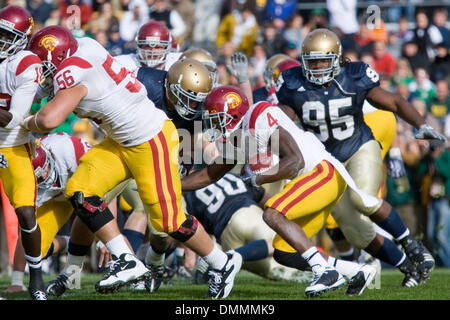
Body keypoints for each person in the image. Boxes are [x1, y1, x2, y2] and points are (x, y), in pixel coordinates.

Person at [23, 25, 242, 299]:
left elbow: (47, 120)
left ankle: (223, 264)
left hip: (152, 140)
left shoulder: (73, 71)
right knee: (80, 191)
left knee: (169, 222)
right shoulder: (89, 49)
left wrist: (23, 120)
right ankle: (116, 263)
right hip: (122, 140)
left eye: (42, 65)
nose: (39, 71)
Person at [275, 28, 444, 287]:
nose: (319, 67)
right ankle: (408, 265)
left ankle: (413, 245)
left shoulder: (354, 75)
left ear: (337, 58)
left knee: (362, 199)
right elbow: (281, 124)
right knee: (353, 228)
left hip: (359, 148)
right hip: (327, 163)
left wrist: (420, 123)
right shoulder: (292, 83)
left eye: (324, 60)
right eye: (313, 61)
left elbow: (395, 102)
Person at [182, 85, 378, 298]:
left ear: (233, 113)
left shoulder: (258, 116)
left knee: (272, 213)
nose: (213, 125)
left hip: (322, 172)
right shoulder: (237, 139)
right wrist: (172, 184)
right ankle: (357, 271)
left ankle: (325, 272)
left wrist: (258, 177)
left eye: (216, 118)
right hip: (317, 179)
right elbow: (209, 175)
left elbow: (295, 161)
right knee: (285, 252)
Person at [185, 171, 313, 283]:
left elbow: (192, 232)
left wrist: (193, 262)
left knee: (274, 270)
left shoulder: (188, 196)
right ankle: (321, 268)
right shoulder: (229, 175)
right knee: (284, 242)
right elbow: (269, 202)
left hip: (226, 237)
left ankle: (225, 259)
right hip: (247, 214)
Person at [4, 133, 92, 294]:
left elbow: (101, 181)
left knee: (97, 220)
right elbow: (25, 231)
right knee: (35, 247)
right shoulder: (27, 182)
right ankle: (72, 242)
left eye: (44, 169)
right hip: (56, 199)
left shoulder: (67, 148)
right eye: (38, 176)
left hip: (84, 185)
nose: (44, 176)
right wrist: (17, 281)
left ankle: (127, 263)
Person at [0, 5, 47, 300]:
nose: (2, 40)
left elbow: (13, 117)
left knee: (26, 214)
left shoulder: (25, 62)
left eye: (8, 35)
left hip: (13, 144)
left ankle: (36, 280)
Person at [115, 20, 181, 73]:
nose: (152, 50)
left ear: (167, 47)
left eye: (157, 47)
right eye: (147, 46)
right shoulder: (127, 63)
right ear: (139, 46)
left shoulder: (175, 63)